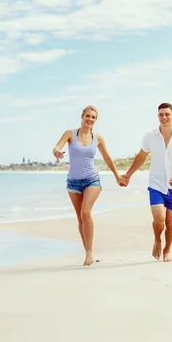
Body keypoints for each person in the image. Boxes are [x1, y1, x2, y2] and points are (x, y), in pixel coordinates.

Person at [52, 105, 127, 266]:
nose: (90, 119)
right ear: (82, 116)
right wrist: (56, 151)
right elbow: (57, 146)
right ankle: (87, 252)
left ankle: (90, 253)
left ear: (95, 120)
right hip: (73, 182)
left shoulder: (98, 138)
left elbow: (107, 157)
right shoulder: (70, 134)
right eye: (88, 116)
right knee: (80, 218)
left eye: (93, 117)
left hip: (92, 179)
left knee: (86, 212)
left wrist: (117, 176)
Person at [121, 103, 172, 262]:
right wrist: (128, 175)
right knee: (159, 218)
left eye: (167, 114)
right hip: (156, 183)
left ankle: (167, 249)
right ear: (158, 116)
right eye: (161, 114)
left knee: (170, 221)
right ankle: (157, 240)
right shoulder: (150, 136)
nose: (164, 117)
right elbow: (141, 157)